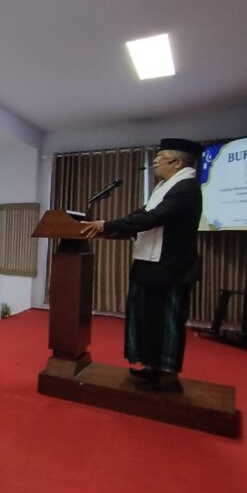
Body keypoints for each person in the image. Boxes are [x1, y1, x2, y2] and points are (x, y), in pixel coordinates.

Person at [81, 138, 204, 393]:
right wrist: (110, 226)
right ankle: (153, 366)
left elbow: (156, 217)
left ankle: (168, 377)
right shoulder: (164, 186)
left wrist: (108, 225)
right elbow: (142, 214)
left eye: (160, 157)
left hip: (171, 268)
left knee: (167, 323)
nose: (155, 161)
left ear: (177, 162)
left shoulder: (186, 188)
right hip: (150, 266)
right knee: (149, 321)